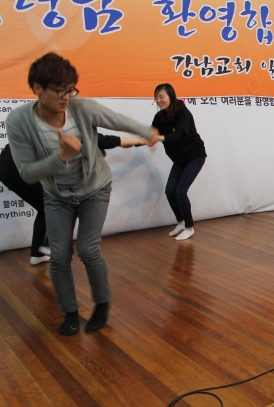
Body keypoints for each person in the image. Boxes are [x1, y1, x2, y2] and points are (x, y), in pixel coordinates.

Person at [7, 52, 160, 336]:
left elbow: (116, 120)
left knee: (89, 250)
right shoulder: (19, 122)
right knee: (58, 256)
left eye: (71, 90)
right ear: (37, 88)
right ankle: (70, 312)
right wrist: (61, 156)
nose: (67, 97)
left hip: (94, 188)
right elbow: (27, 173)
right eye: (59, 91)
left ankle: (102, 302)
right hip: (57, 196)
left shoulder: (81, 107)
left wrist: (147, 132)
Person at [0, 135, 147, 266]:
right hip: (16, 167)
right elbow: (103, 140)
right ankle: (51, 247)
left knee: (44, 207)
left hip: (7, 167)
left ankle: (37, 254)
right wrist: (136, 140)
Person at [152, 83, 207, 241]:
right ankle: (181, 223)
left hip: (195, 156)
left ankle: (189, 227)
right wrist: (131, 142)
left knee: (180, 192)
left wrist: (159, 137)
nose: (158, 100)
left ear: (170, 96)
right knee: (170, 191)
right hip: (179, 159)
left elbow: (180, 134)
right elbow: (150, 135)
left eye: (161, 96)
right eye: (156, 97)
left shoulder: (183, 112)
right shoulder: (159, 117)